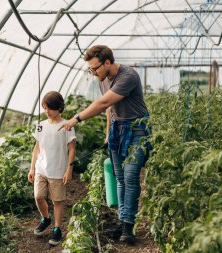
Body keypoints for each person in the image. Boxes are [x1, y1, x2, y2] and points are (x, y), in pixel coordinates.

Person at [59, 45, 151, 244]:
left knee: (130, 175)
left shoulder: (128, 76)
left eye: (95, 69)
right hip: (117, 129)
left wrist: (76, 118)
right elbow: (109, 108)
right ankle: (122, 221)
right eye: (90, 70)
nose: (93, 73)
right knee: (119, 177)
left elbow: (102, 103)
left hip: (137, 128)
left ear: (107, 62)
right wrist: (109, 132)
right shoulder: (103, 78)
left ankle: (128, 226)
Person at [28, 91, 76, 246]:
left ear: (59, 108)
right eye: (44, 107)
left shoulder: (67, 126)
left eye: (49, 108)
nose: (46, 111)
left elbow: (72, 149)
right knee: (38, 196)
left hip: (57, 171)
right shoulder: (41, 126)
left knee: (57, 201)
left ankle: (57, 229)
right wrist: (32, 168)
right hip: (41, 168)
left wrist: (69, 169)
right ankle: (46, 218)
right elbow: (36, 148)